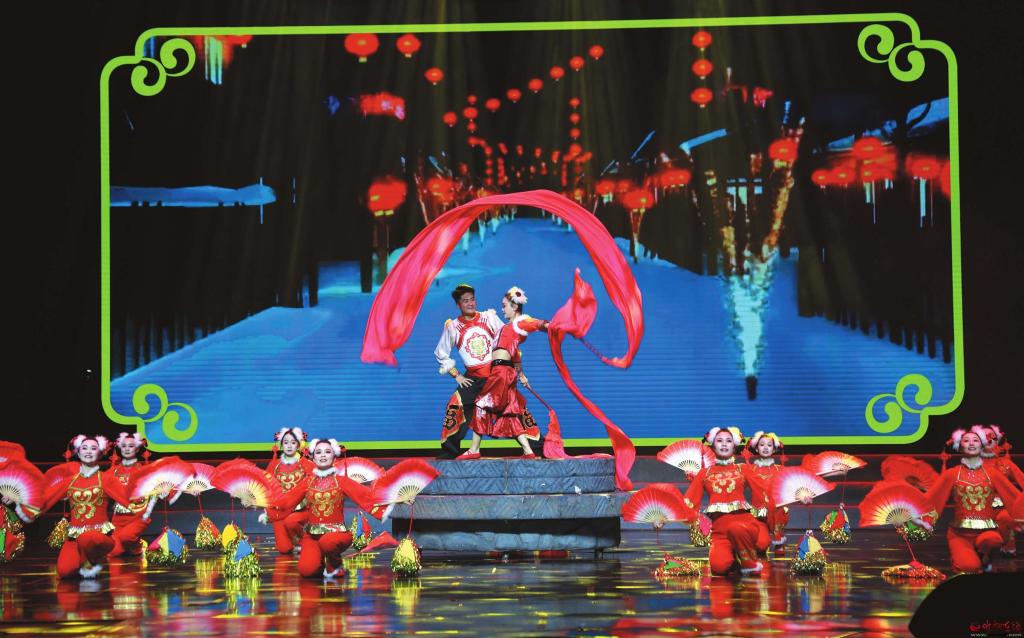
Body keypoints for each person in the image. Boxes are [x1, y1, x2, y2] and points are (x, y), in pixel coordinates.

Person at [20, 435, 156, 579]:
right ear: (78, 453)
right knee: (65, 572)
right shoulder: (69, 481)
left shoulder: (106, 479)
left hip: (99, 537)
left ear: (100, 453)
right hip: (75, 537)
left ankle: (91, 559)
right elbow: (45, 501)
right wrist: (21, 499)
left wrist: (154, 495)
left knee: (88, 538)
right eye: (84, 448)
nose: (88, 451)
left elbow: (128, 500)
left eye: (93, 448)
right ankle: (84, 561)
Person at [262, 437, 379, 579]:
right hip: (313, 535)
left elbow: (368, 497)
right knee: (306, 570)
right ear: (313, 458)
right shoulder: (307, 482)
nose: (323, 455)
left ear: (334, 457)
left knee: (327, 542)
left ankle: (335, 563)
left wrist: (393, 501)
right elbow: (287, 501)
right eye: (318, 452)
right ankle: (320, 560)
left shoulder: (342, 481)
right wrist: (266, 506)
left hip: (337, 535)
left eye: (327, 452)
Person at [912, 427, 1022, 574]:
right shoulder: (951, 474)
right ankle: (967, 558)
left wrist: (1020, 519)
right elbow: (931, 499)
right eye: (966, 440)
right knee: (969, 567)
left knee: (993, 540)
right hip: (960, 535)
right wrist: (914, 518)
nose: (971, 443)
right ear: (959, 447)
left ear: (981, 446)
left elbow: (1013, 496)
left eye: (975, 440)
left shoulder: (993, 474)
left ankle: (984, 556)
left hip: (987, 532)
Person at [458, 286, 546, 459]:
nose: (502, 309)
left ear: (515, 307)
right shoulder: (508, 327)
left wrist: (551, 325)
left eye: (504, 305)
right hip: (505, 372)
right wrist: (521, 375)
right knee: (509, 412)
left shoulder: (519, 322)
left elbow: (536, 324)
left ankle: (474, 449)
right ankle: (528, 451)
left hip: (501, 372)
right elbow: (515, 354)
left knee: (481, 404)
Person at [680, 427, 774, 576]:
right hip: (720, 534)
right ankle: (735, 560)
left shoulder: (743, 469)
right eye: (720, 440)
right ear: (713, 446)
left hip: (745, 527)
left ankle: (750, 563)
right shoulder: (704, 473)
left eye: (728, 441)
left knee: (737, 529)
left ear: (734, 446)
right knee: (719, 567)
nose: (724, 444)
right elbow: (688, 502)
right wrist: (664, 519)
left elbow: (764, 491)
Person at [974, 424, 1024, 557]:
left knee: (1005, 518)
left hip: (1004, 507)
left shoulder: (1006, 464)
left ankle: (1008, 547)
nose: (989, 442)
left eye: (992, 439)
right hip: (980, 506)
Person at [107, 432, 160, 557]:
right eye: (124, 446)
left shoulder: (144, 470)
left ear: (136, 449)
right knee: (113, 552)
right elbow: (99, 484)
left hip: (138, 517)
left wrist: (165, 491)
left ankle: (138, 545)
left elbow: (160, 484)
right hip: (118, 519)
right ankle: (129, 546)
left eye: (131, 446)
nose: (127, 449)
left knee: (126, 536)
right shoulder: (113, 471)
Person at [265, 427, 314, 554]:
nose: (289, 446)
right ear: (281, 445)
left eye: (293, 442)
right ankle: (291, 540)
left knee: (291, 521)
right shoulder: (274, 465)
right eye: (286, 442)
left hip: (302, 509)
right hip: (281, 510)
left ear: (298, 445)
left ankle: (306, 541)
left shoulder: (307, 464)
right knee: (284, 548)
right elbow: (266, 485)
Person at [745, 430, 789, 552]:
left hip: (777, 515)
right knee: (761, 545)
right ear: (756, 448)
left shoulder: (780, 470)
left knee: (780, 550)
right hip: (759, 515)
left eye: (769, 445)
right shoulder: (750, 470)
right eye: (762, 444)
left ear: (774, 450)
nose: (765, 448)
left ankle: (779, 539)